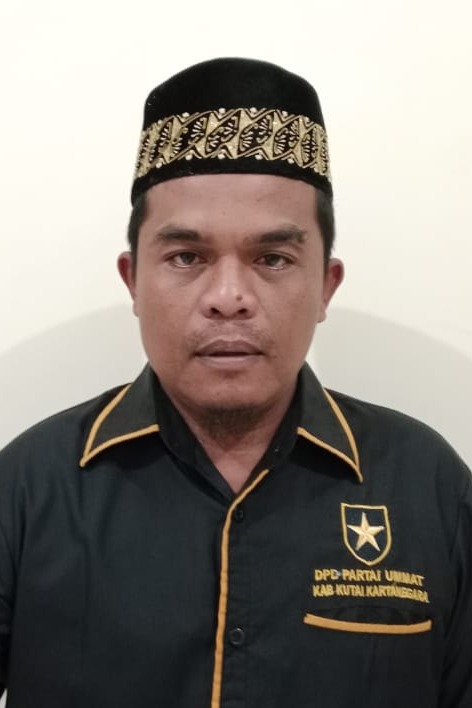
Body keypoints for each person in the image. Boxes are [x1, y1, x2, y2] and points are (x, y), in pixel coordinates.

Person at [0, 57, 470, 708]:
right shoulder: (27, 488)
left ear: (326, 285)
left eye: (272, 258)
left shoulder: (429, 486)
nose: (228, 297)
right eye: (186, 257)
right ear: (133, 280)